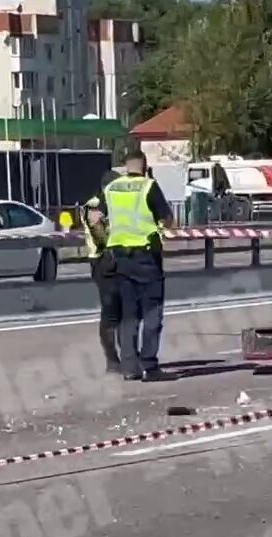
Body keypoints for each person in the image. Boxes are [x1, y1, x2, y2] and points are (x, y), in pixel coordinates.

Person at [95, 150, 177, 381]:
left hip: (120, 258)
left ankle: (129, 367)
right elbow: (167, 218)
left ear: (125, 165)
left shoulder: (112, 187)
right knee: (152, 313)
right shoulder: (148, 186)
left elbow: (95, 218)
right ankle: (150, 366)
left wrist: (106, 240)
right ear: (145, 166)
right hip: (146, 258)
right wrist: (163, 231)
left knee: (128, 315)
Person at [84, 169, 122, 373]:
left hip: (119, 260)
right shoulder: (94, 206)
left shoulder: (116, 204)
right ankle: (112, 360)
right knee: (110, 314)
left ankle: (129, 356)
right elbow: (99, 233)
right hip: (102, 261)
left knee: (125, 311)